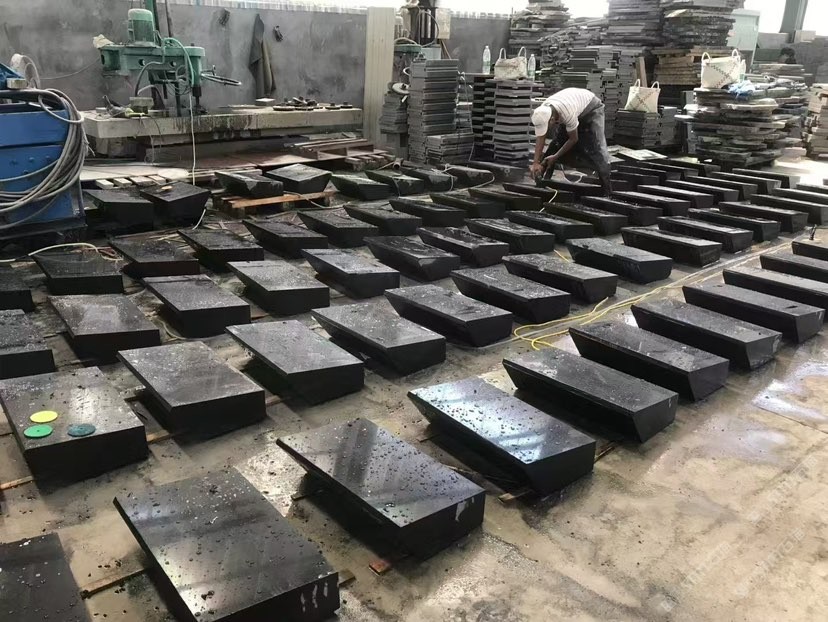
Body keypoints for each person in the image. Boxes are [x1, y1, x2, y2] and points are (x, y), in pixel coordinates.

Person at [529, 87, 612, 195]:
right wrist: (535, 163)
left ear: (552, 119)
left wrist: (556, 156)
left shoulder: (567, 113)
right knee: (556, 145)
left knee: (596, 148)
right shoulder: (542, 112)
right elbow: (541, 137)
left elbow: (573, 139)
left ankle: (607, 191)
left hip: (591, 108)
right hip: (573, 106)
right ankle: (542, 182)